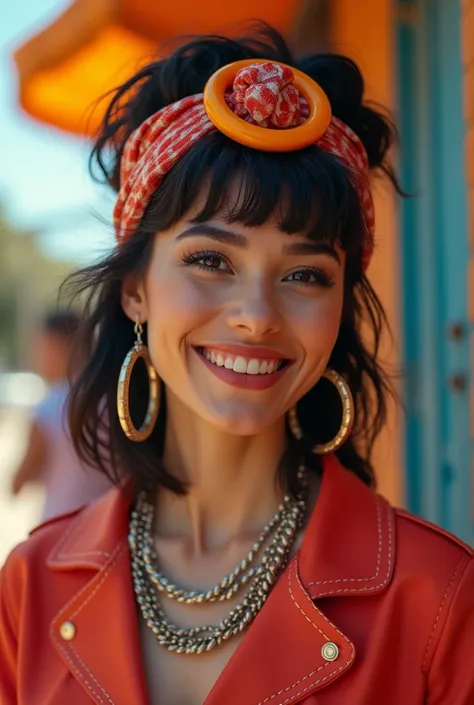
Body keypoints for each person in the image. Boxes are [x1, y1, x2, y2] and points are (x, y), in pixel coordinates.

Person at [1, 26, 473, 705]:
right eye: (211, 260)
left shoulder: (438, 599)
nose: (257, 314)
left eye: (306, 274)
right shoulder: (30, 586)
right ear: (136, 287)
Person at [10, 310, 113, 520]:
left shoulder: (50, 407)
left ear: (60, 347)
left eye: (42, 347)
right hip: (112, 528)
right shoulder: (116, 399)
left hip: (62, 531)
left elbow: (19, 482)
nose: (37, 357)